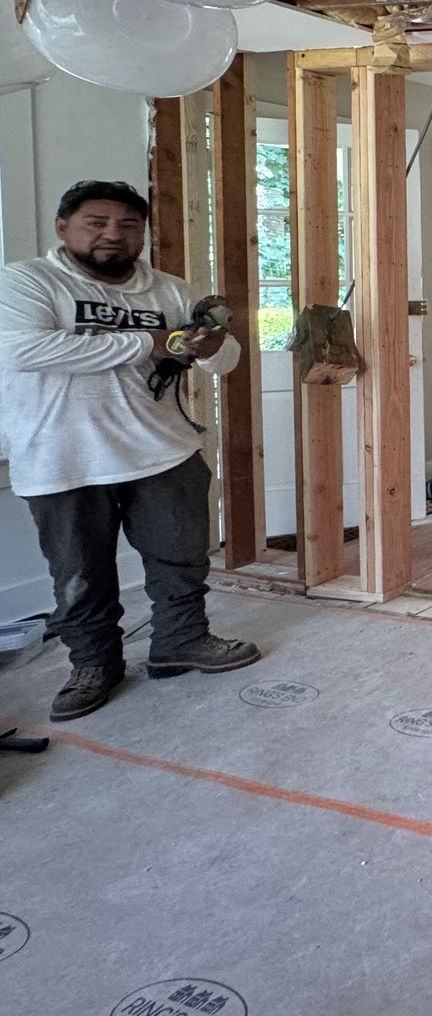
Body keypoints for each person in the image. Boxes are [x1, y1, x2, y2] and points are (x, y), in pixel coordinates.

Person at [0, 179, 262, 721]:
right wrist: (151, 341)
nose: (113, 235)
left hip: (163, 451)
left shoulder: (168, 288)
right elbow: (27, 349)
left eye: (128, 225)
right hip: (61, 457)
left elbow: (225, 359)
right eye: (96, 223)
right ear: (63, 227)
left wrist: (213, 346)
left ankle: (180, 642)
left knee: (182, 560)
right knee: (78, 574)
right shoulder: (27, 282)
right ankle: (93, 664)